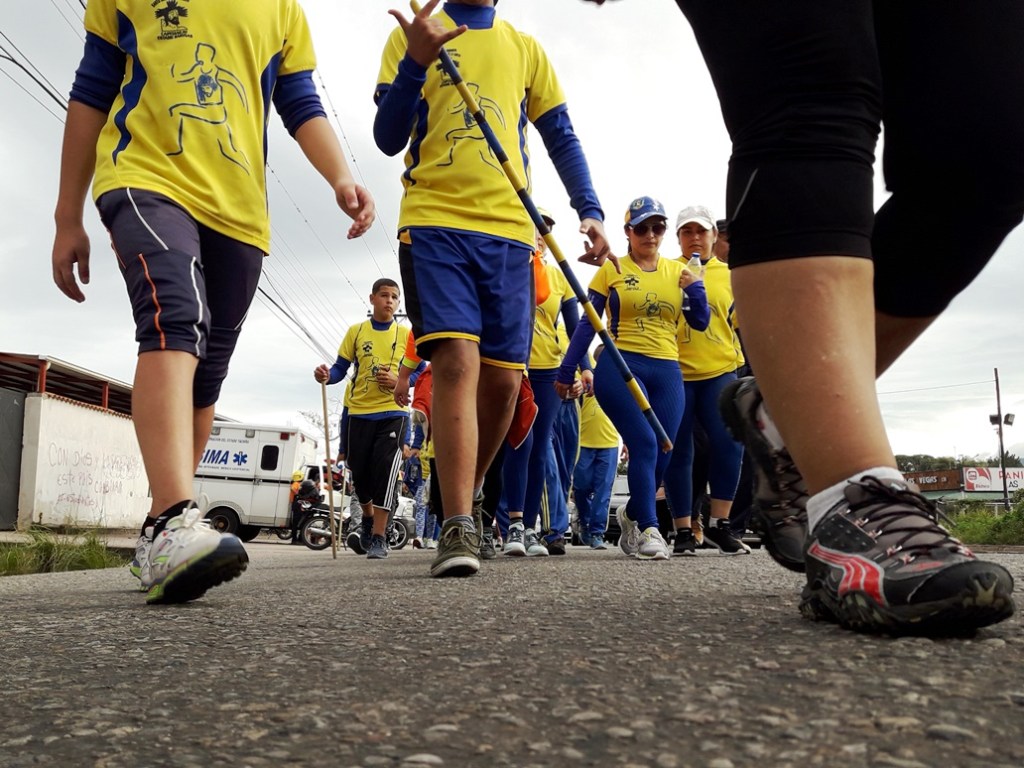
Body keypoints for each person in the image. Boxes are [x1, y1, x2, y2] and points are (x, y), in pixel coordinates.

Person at [583, 0, 1021, 635]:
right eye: (649, 227)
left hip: (707, 368)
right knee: (809, 91)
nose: (659, 234)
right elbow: (593, 323)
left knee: (992, 139)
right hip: (649, 366)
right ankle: (852, 495)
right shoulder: (627, 270)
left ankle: (781, 413)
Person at [53, 0, 374, 604]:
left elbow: (300, 102)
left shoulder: (282, 9)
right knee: (173, 318)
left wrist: (339, 177)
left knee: (208, 371)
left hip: (239, 211)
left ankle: (158, 534)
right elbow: (92, 90)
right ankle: (177, 516)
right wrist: (67, 216)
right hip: (143, 176)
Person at [375, 0, 611, 578]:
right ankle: (457, 523)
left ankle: (469, 490)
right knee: (456, 362)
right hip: (433, 222)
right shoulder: (415, 36)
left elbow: (560, 133)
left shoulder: (524, 49)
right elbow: (387, 136)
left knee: (505, 385)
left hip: (510, 234)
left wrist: (590, 208)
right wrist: (415, 62)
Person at [558, 196, 709, 561]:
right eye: (642, 227)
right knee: (644, 442)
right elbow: (586, 323)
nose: (651, 234)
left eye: (658, 227)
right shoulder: (611, 269)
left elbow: (700, 322)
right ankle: (650, 528)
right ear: (628, 232)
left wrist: (696, 290)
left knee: (665, 448)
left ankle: (631, 514)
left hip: (667, 368)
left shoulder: (679, 271)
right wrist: (568, 369)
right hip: (620, 365)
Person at [502, 210, 588, 559]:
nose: (540, 236)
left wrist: (585, 368)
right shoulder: (506, 267)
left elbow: (577, 324)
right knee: (517, 443)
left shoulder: (558, 277)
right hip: (511, 366)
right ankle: (512, 523)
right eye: (534, 229)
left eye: (545, 232)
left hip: (548, 369)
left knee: (539, 448)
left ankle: (532, 527)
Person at [663, 206, 748, 556]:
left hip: (721, 370)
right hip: (676, 372)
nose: (694, 238)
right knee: (679, 450)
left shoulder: (731, 275)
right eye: (686, 232)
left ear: (715, 235)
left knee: (730, 446)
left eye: (701, 231)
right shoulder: (666, 270)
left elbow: (745, 325)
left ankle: (721, 524)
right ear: (678, 237)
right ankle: (683, 529)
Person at [314, 278, 412, 560]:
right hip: (359, 412)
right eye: (384, 295)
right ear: (372, 299)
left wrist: (400, 379)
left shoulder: (406, 335)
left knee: (385, 473)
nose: (390, 301)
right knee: (360, 474)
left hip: (394, 412)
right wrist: (325, 376)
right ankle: (367, 518)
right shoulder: (356, 332)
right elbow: (339, 369)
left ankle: (380, 536)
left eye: (395, 297)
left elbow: (420, 371)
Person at [573, 346, 620, 549]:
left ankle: (597, 532)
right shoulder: (585, 377)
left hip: (609, 444)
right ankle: (584, 523)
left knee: (603, 492)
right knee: (581, 488)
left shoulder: (620, 379)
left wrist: (627, 441)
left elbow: (625, 413)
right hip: (583, 443)